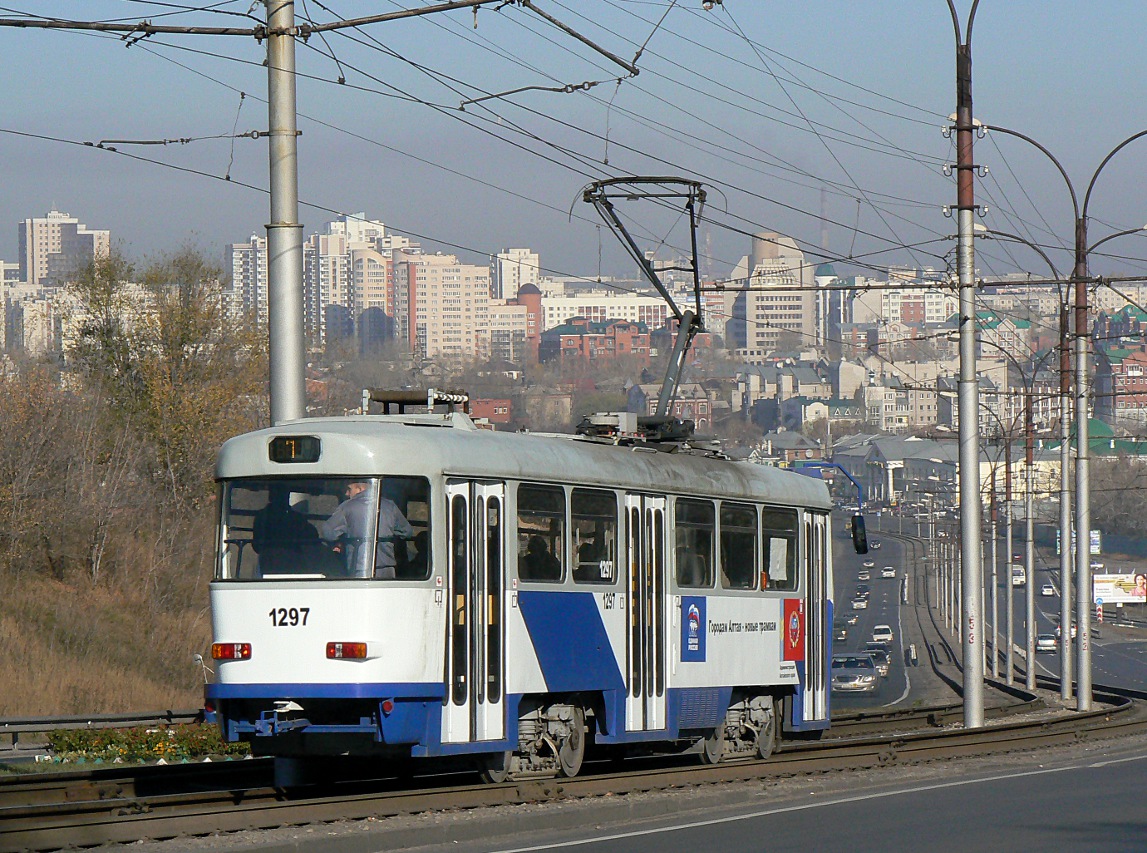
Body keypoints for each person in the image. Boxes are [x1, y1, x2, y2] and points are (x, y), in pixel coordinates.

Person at [320, 480, 413, 579]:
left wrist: (342, 539)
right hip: (387, 568)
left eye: (349, 489)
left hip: (359, 567)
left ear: (359, 489)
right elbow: (407, 532)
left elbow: (328, 533)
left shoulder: (347, 506)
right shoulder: (390, 506)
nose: (346, 493)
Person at [252, 485, 320, 573]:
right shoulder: (262, 517)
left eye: (285, 495)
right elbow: (257, 546)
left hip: (290, 564)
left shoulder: (297, 518)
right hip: (272, 564)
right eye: (281, 495)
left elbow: (312, 536)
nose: (283, 498)